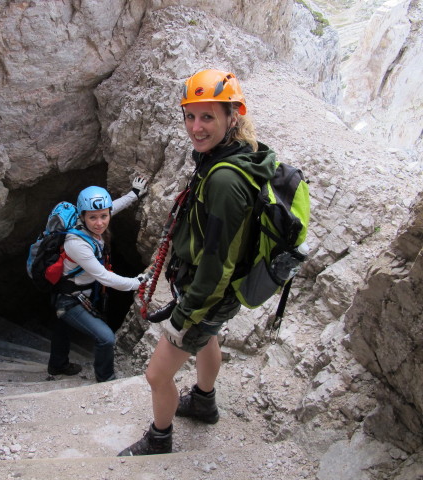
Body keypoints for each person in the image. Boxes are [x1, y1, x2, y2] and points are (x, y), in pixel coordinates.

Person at [119, 69, 277, 455]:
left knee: (156, 375)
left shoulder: (225, 180)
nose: (196, 127)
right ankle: (203, 401)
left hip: (207, 293)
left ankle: (159, 438)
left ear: (231, 116)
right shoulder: (238, 155)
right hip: (220, 295)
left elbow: (217, 264)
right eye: (190, 116)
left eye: (207, 117)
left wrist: (184, 314)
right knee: (209, 339)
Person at [47, 177, 149, 382]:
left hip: (72, 292)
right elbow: (104, 277)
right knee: (106, 338)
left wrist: (134, 194)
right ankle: (106, 379)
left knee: (62, 328)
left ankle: (57, 366)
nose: (100, 222)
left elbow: (112, 208)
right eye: (93, 218)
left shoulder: (88, 222)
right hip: (69, 300)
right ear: (83, 216)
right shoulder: (77, 244)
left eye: (104, 216)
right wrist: (137, 282)